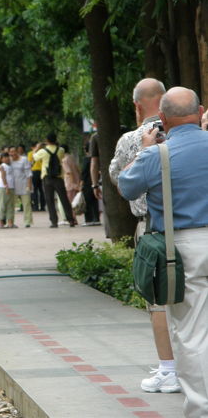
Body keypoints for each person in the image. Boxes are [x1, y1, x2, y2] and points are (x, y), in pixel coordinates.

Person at [118, 87, 208, 417]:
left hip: (182, 249)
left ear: (164, 120)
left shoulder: (158, 154)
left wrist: (143, 149)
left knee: (191, 333)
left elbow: (127, 187)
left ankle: (201, 409)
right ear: (200, 113)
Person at [109, 78, 180, 394]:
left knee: (159, 300)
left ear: (137, 105)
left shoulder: (131, 139)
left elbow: (119, 179)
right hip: (193, 222)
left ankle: (169, 369)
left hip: (152, 227)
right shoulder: (189, 133)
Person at [33, 133, 76, 228]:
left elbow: (34, 157)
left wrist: (37, 148)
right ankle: (71, 220)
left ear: (47, 140)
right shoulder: (61, 150)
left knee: (50, 200)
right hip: (58, 177)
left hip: (47, 177)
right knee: (64, 199)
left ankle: (54, 222)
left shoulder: (43, 151)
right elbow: (61, 156)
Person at [10, 146, 32, 227]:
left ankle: (27, 221)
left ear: (17, 151)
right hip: (13, 186)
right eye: (11, 152)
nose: (12, 153)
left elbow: (28, 173)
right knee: (11, 204)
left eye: (14, 151)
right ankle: (10, 221)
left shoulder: (24, 159)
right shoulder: (9, 161)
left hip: (23, 184)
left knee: (26, 204)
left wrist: (29, 185)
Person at [80, 141, 100, 225]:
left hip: (87, 182)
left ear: (86, 149)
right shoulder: (97, 158)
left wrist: (81, 183)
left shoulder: (86, 159)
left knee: (87, 201)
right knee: (95, 201)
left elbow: (84, 172)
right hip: (95, 181)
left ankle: (88, 219)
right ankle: (96, 218)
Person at [0, 152, 16, 228]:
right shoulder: (2, 166)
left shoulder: (10, 166)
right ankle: (1, 222)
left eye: (7, 157)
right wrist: (6, 186)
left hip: (11, 187)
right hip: (3, 187)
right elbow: (3, 176)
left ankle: (10, 222)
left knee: (10, 205)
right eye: (5, 157)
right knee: (2, 204)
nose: (7, 158)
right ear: (1, 159)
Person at [28, 141, 46, 211]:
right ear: (32, 147)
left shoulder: (42, 152)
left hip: (40, 171)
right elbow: (30, 161)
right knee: (36, 190)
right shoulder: (30, 153)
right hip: (35, 171)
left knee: (41, 190)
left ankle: (41, 206)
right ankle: (36, 206)